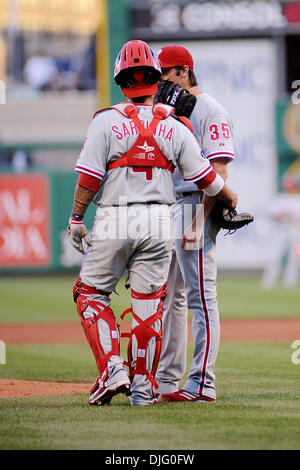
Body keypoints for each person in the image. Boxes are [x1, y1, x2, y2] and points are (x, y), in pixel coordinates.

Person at [67, 40, 237, 407]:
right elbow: (209, 177)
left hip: (116, 215)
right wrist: (228, 194)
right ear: (154, 78)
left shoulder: (106, 119)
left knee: (91, 294)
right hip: (162, 217)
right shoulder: (174, 124)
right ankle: (144, 390)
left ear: (121, 79)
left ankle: (114, 368)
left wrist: (76, 218)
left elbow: (87, 178)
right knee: (151, 303)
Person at [155, 45, 235, 403]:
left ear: (185, 71)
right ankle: (167, 380)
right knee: (168, 298)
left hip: (195, 206)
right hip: (173, 205)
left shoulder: (211, 110)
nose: (161, 81)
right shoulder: (169, 110)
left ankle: (203, 383)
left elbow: (218, 173)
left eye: (166, 74)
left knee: (201, 298)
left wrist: (200, 221)